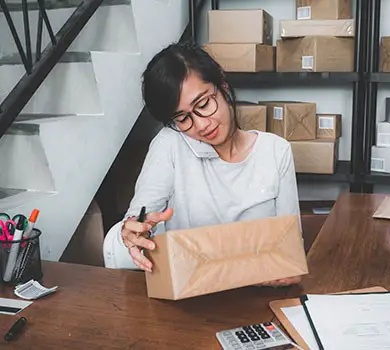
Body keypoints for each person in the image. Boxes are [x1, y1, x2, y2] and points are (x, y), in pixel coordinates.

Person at [103, 41, 301, 287]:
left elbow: (291, 258)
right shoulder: (170, 144)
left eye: (204, 104)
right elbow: (141, 214)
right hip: (191, 299)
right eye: (183, 118)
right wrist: (133, 230)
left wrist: (280, 270)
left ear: (223, 86)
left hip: (257, 299)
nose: (201, 125)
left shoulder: (275, 151)